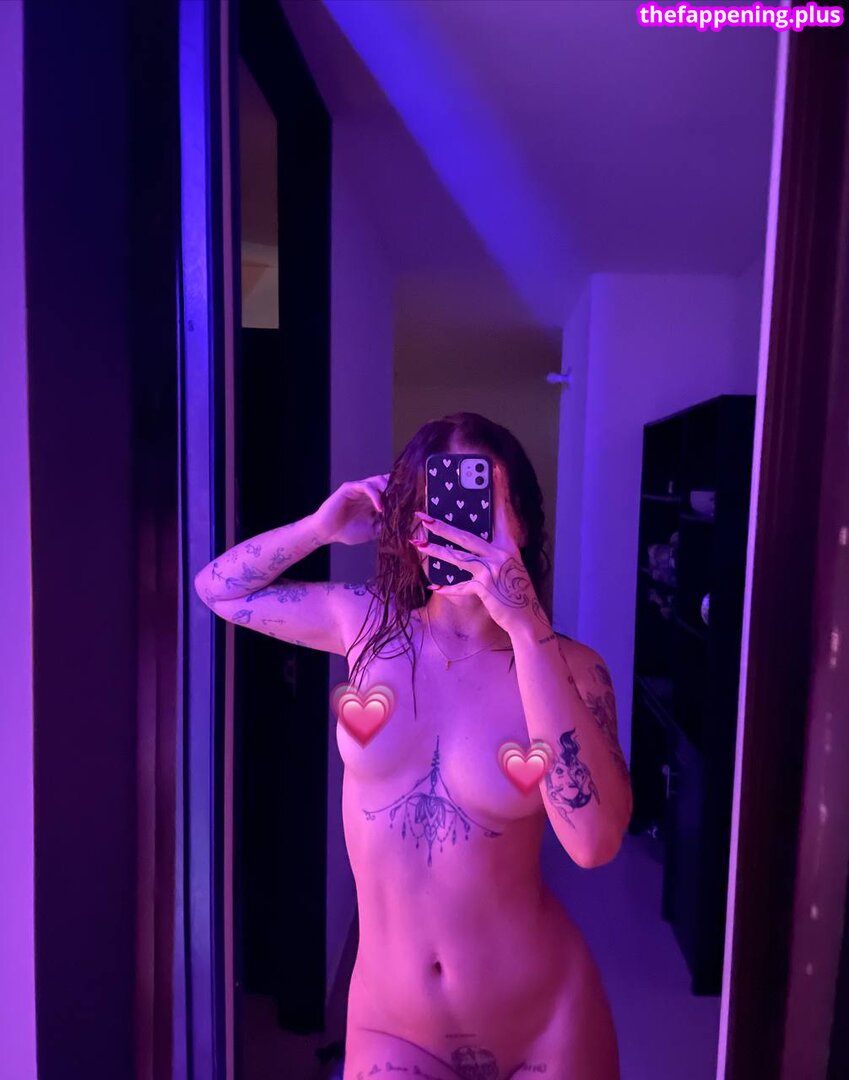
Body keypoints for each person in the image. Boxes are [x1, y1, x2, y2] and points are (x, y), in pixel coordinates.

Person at [195, 412, 632, 1080]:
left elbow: (594, 845)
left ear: (521, 523)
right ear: (406, 527)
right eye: (433, 509)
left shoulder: (570, 668)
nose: (456, 530)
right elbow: (217, 589)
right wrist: (320, 527)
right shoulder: (365, 626)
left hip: (548, 1020)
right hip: (392, 1027)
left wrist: (525, 627)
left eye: (480, 507)